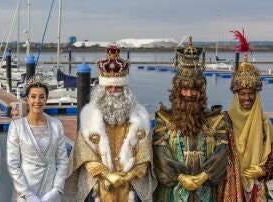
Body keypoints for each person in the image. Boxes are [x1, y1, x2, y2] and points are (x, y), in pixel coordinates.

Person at [64, 44, 156, 202]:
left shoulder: (138, 119)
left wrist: (128, 175)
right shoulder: (90, 119)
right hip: (98, 186)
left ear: (125, 90)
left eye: (118, 87)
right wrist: (107, 175)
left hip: (129, 186)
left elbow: (145, 154)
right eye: (109, 87)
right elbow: (83, 153)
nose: (113, 91)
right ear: (102, 89)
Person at [152, 37, 230, 202]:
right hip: (173, 193)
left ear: (201, 92)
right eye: (184, 89)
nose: (189, 94)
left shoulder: (216, 120)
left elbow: (221, 153)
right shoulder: (164, 120)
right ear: (177, 91)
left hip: (206, 191)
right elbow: (161, 154)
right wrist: (180, 177)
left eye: (194, 89)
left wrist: (204, 176)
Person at [218, 30, 273, 201]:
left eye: (251, 93)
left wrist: (264, 170)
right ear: (236, 95)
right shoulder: (224, 121)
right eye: (242, 93)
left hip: (256, 186)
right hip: (229, 186)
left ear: (257, 95)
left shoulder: (265, 125)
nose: (247, 98)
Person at [6, 75, 68, 202]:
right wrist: (27, 195)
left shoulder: (57, 125)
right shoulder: (16, 126)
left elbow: (62, 162)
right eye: (33, 96)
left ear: (46, 99)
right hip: (25, 192)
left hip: (50, 192)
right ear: (27, 99)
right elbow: (13, 165)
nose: (37, 101)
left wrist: (56, 190)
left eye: (41, 97)